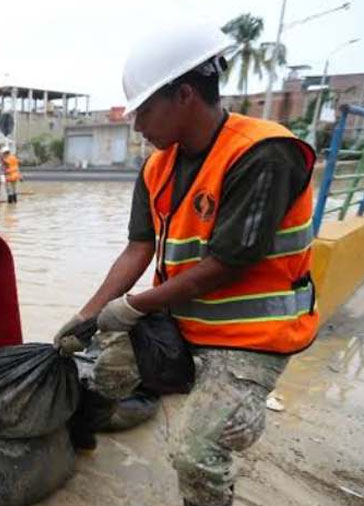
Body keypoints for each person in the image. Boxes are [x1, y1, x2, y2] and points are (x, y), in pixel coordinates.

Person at [53, 24, 317, 506]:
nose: (137, 126)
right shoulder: (157, 166)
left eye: (145, 112)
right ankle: (92, 434)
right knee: (101, 374)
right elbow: (138, 248)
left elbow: (227, 264)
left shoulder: (263, 153)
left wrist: (132, 307)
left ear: (186, 96)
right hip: (180, 321)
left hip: (251, 338)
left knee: (195, 454)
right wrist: (89, 315)